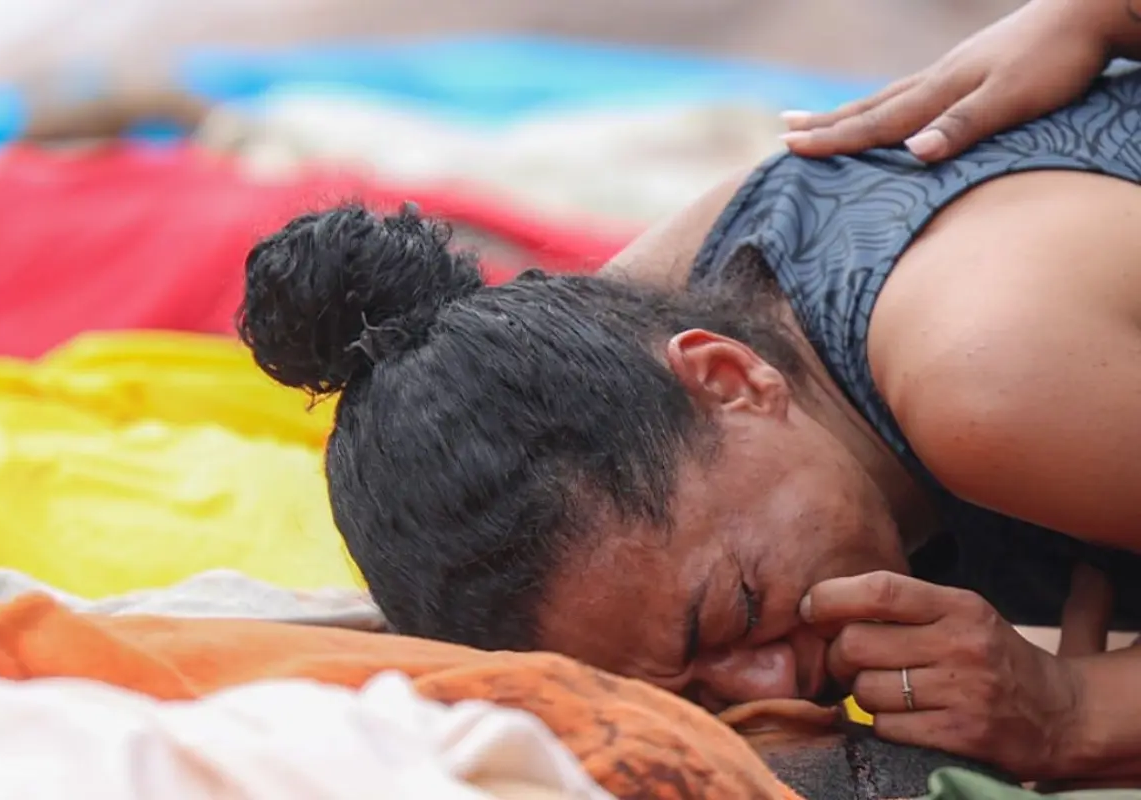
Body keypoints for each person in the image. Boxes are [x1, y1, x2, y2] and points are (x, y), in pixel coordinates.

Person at [237, 0, 1141, 783]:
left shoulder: (994, 389)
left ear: (729, 378)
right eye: (699, 702)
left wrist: (1074, 712)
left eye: (740, 610)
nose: (774, 690)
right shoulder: (611, 348)